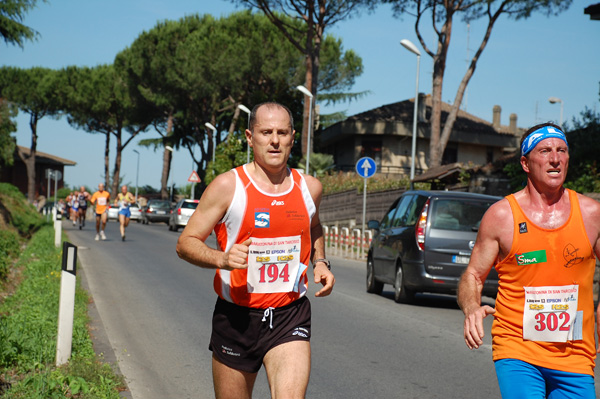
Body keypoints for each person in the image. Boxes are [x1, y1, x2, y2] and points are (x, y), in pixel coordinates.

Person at [176, 102, 335, 399]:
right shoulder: (228, 186)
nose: (274, 140)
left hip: (290, 315)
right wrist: (222, 258)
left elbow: (314, 226)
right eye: (266, 132)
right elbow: (186, 243)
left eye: (282, 132)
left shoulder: (309, 187)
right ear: (250, 137)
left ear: (292, 137)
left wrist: (321, 261)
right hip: (236, 318)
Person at [457, 122, 600, 398]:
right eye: (545, 151)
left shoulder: (592, 214)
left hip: (576, 354)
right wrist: (472, 307)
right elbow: (473, 275)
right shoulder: (501, 217)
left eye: (561, 150)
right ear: (525, 162)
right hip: (518, 348)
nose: (555, 159)